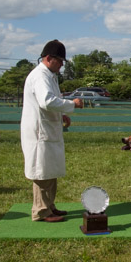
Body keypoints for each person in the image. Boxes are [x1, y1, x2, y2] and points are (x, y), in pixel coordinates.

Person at [21, 39, 83, 222]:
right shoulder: (40, 76)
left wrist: (62, 113)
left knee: (50, 170)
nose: (62, 64)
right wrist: (72, 104)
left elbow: (51, 102)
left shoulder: (49, 76)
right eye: (60, 60)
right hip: (40, 132)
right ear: (49, 58)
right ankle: (40, 211)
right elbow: (46, 101)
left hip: (48, 129)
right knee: (41, 171)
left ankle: (50, 206)